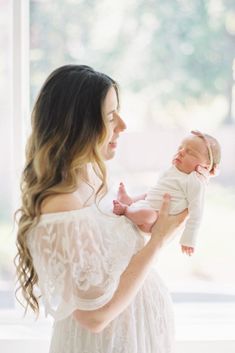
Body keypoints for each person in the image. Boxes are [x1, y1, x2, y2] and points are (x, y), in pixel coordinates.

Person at [15, 65, 187, 353]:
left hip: (138, 335)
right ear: (77, 126)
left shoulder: (92, 176)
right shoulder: (61, 205)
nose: (122, 124)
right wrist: (157, 241)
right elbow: (94, 316)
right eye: (110, 116)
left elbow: (112, 265)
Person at [113, 131, 221, 256]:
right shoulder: (173, 169)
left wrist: (188, 239)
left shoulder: (195, 182)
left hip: (154, 221)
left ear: (205, 166)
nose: (181, 152)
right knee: (148, 193)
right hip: (148, 204)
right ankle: (130, 200)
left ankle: (125, 210)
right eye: (180, 148)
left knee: (148, 214)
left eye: (190, 152)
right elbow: (155, 192)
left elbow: (197, 212)